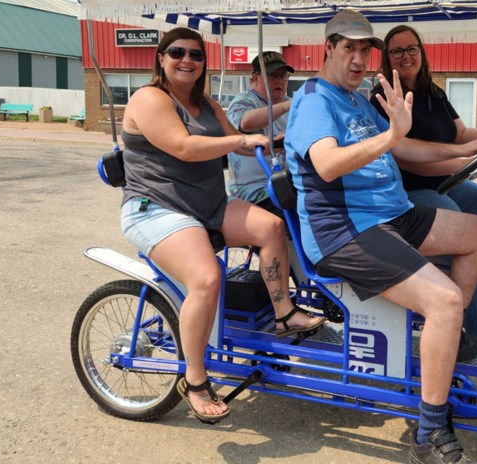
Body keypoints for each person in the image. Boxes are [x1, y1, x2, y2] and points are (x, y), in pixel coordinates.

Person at [284, 10, 477, 464]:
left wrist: (466, 148)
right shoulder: (315, 100)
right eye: (350, 49)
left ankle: (442, 349)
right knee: (445, 300)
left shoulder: (359, 98)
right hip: (345, 230)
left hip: (393, 215)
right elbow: (327, 164)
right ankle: (429, 429)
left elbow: (403, 147)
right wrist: (393, 134)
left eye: (366, 50)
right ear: (328, 48)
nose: (360, 59)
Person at [118, 27, 325, 425]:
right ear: (161, 57)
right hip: (157, 209)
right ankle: (194, 380)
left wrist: (283, 143)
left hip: (207, 205)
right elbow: (184, 146)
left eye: (196, 55)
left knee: (271, 227)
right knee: (207, 277)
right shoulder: (149, 98)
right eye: (177, 52)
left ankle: (283, 313)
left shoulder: (206, 103)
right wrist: (240, 142)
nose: (187, 60)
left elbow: (242, 138)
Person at [370, 25, 477, 351]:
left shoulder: (434, 91)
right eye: (397, 51)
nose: (406, 56)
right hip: (410, 189)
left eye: (411, 48)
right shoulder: (383, 97)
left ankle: (457, 276)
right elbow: (408, 159)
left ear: (421, 51)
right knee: (463, 228)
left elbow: (459, 133)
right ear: (387, 59)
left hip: (445, 183)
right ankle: (465, 332)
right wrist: (461, 161)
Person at [226, 50, 295, 217]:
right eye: (273, 76)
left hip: (287, 181)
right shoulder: (244, 100)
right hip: (254, 188)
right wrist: (287, 107)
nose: (279, 81)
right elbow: (245, 122)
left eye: (283, 76)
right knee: (296, 209)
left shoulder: (289, 103)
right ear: (255, 78)